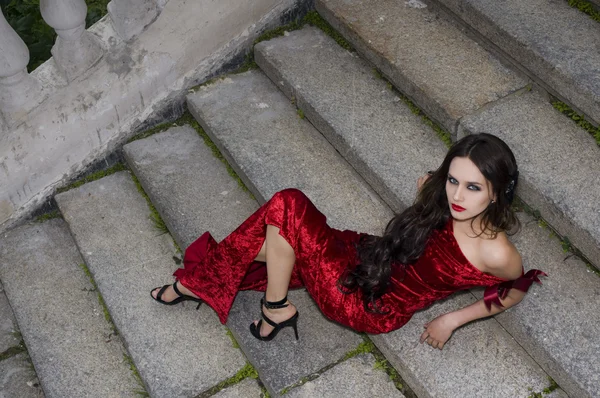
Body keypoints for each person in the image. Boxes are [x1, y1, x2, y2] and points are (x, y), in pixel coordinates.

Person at [151, 133, 545, 349]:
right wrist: (429, 194)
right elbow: (428, 219)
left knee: (286, 207)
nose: (457, 197)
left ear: (497, 194)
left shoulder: (497, 252)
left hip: (370, 304)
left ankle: (265, 302)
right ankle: (218, 285)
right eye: (454, 180)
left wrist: (453, 319)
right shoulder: (438, 193)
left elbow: (514, 289)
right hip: (368, 255)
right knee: (280, 225)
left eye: (473, 187)